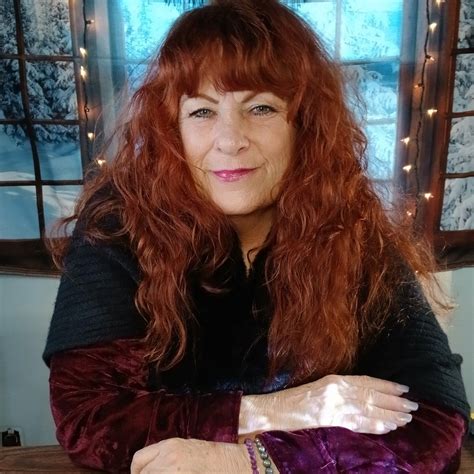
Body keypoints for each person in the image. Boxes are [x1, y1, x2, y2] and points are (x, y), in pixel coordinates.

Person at [43, 1, 470, 473]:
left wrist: (251, 461)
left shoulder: (352, 229)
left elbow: (436, 421)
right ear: (171, 130)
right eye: (202, 111)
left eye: (261, 107)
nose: (230, 139)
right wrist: (287, 408)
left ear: (303, 125)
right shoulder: (116, 226)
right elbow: (90, 418)